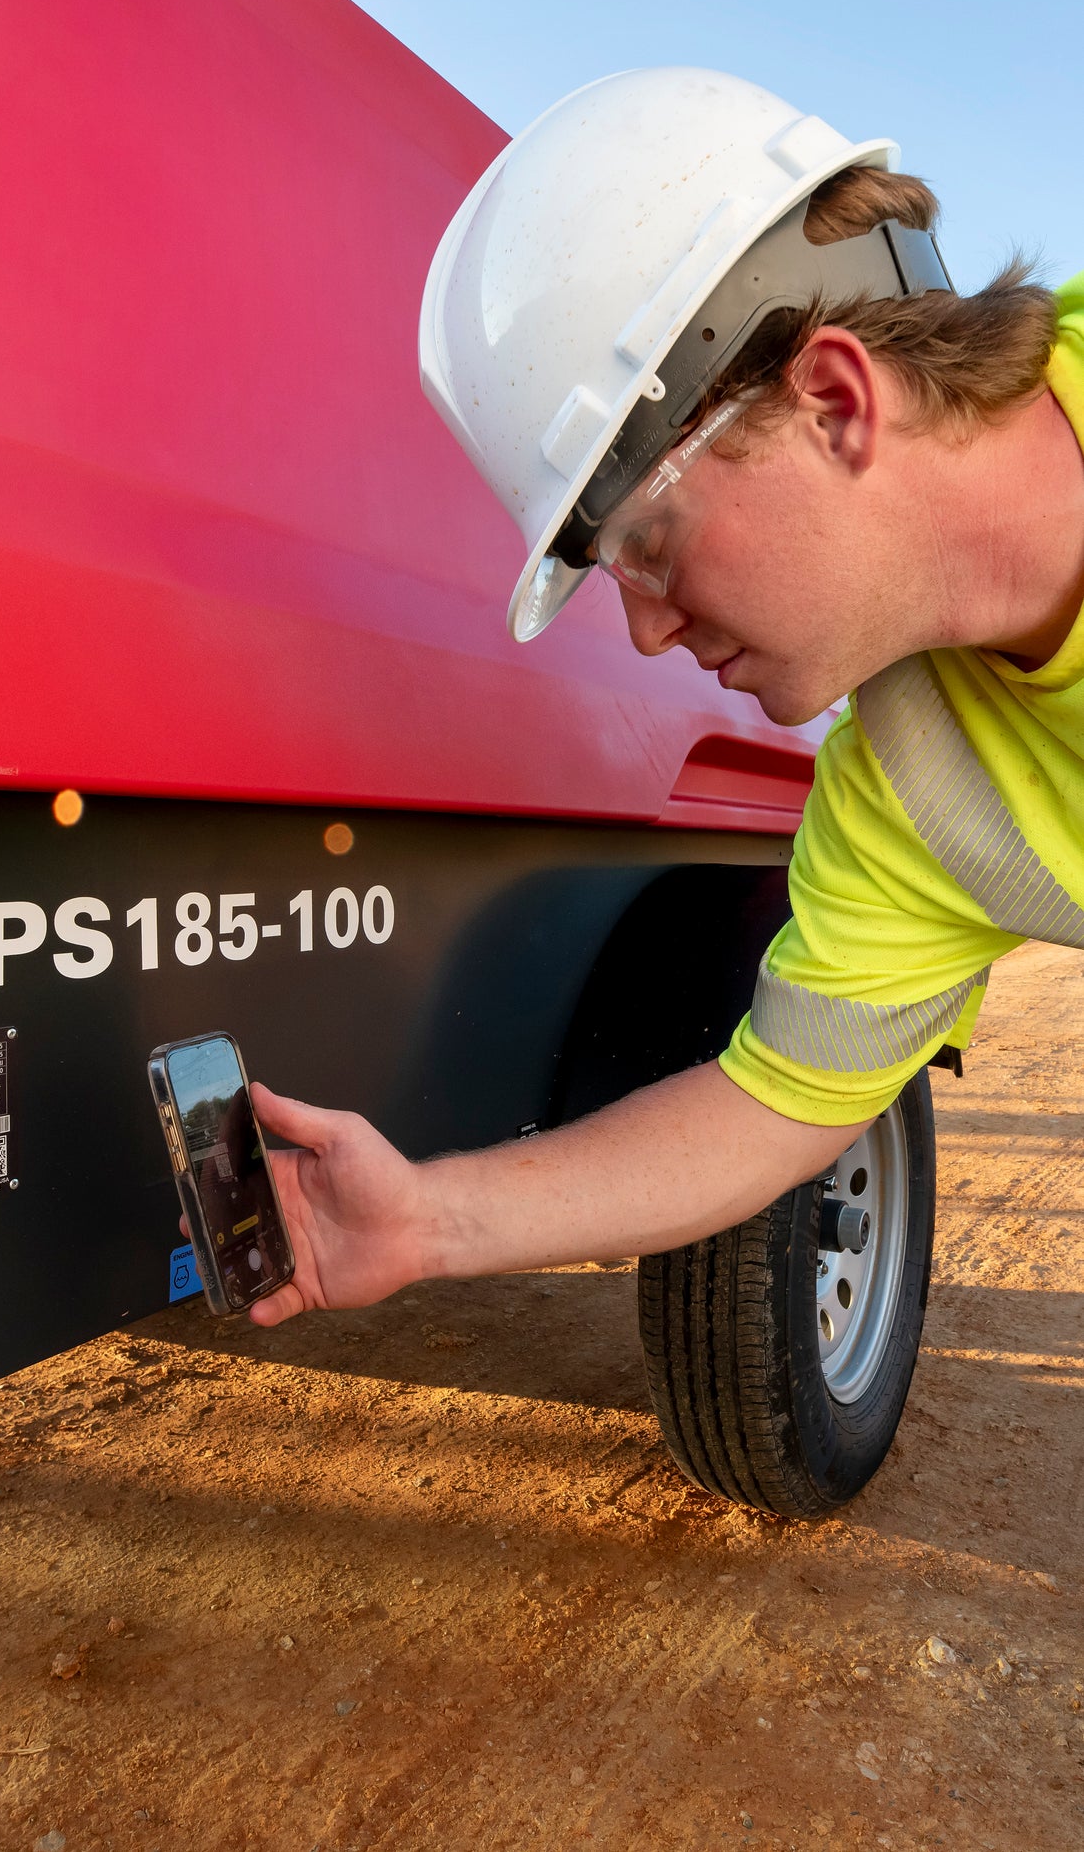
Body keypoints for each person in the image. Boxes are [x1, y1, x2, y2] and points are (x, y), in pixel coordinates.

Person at [243, 67, 1084, 1330]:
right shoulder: (913, 794)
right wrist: (421, 1217)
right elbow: (770, 1108)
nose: (644, 633)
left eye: (645, 543)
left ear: (833, 405)